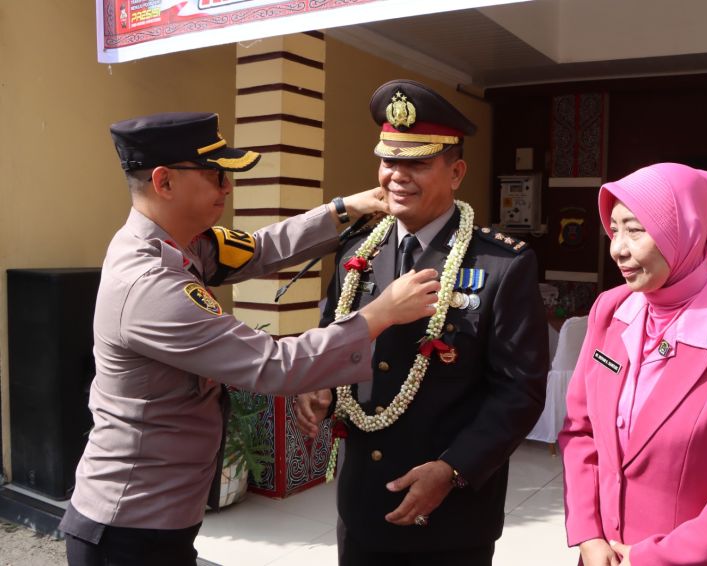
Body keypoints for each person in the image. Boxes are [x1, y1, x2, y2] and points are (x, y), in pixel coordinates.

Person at [59, 112, 441, 566]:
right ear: (164, 183)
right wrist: (378, 315)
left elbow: (257, 249)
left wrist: (343, 211)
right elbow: (274, 366)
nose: (226, 188)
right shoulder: (149, 284)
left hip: (160, 516)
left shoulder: (181, 243)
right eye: (215, 175)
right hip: (129, 528)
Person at [295, 79, 549, 566]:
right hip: (363, 504)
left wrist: (454, 470)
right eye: (389, 160)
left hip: (448, 515)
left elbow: (520, 391)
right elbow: (334, 333)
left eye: (417, 162)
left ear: (456, 173)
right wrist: (320, 386)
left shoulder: (501, 263)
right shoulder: (356, 251)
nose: (397, 176)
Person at [559, 163, 707, 565]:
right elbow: (580, 430)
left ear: (685, 229)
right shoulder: (611, 308)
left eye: (636, 229)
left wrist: (652, 557)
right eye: (614, 228)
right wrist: (588, 533)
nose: (618, 248)